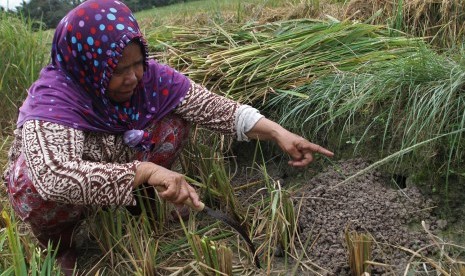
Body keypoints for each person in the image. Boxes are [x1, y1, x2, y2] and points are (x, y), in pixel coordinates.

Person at [2, 0, 334, 274]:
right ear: (89, 66)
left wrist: (278, 132)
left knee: (175, 116)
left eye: (138, 63)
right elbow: (53, 176)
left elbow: (211, 107)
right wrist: (144, 171)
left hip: (120, 160)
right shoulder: (55, 98)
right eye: (118, 70)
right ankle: (62, 242)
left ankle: (147, 202)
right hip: (75, 176)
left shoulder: (151, 79)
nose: (134, 77)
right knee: (31, 184)